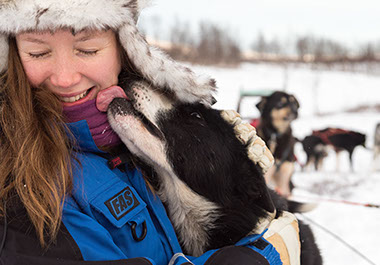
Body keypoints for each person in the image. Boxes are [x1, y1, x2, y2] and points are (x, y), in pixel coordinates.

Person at [0, 1, 300, 265]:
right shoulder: (19, 186)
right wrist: (262, 257)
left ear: (125, 49)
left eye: (87, 49)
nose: (65, 78)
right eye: (38, 52)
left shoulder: (127, 144)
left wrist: (222, 153)